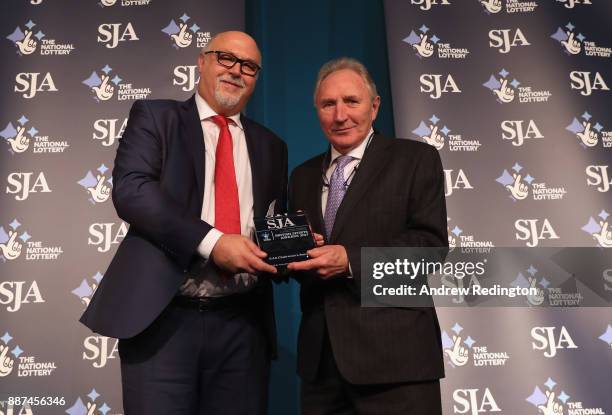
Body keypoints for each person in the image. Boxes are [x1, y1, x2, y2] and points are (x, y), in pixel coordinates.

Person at [80, 31, 287, 415]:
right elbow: (132, 191)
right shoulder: (157, 118)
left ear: (257, 78)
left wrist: (294, 249)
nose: (236, 71)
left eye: (249, 66)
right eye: (225, 58)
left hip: (243, 326)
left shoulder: (272, 145)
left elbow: (271, 222)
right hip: (163, 320)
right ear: (202, 61)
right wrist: (213, 241)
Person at [287, 57, 448, 415]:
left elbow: (430, 249)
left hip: (397, 363)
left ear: (374, 107)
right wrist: (283, 254)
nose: (340, 115)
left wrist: (349, 261)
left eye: (351, 101)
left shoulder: (415, 159)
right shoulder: (301, 176)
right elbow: (294, 259)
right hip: (321, 368)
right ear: (317, 110)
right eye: (328, 104)